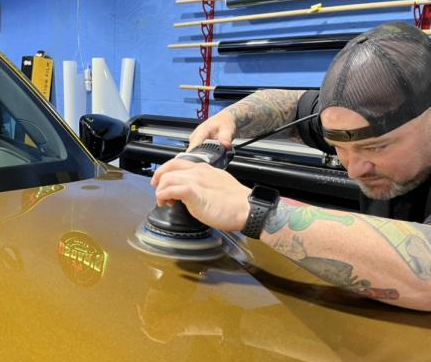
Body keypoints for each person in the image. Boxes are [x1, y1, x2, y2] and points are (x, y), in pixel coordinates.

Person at [150, 21, 431, 311]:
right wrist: (229, 120)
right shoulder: (357, 121)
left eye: (375, 147)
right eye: (340, 149)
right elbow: (289, 103)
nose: (353, 171)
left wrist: (253, 211)